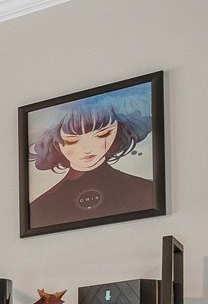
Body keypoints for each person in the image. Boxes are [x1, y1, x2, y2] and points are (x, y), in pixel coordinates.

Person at [27, 88, 157, 229]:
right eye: (72, 141)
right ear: (54, 142)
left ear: (118, 130)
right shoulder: (39, 209)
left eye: (103, 134)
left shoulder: (146, 191)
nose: (88, 149)